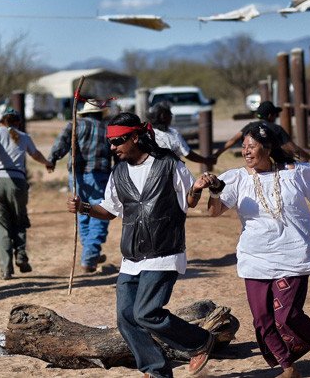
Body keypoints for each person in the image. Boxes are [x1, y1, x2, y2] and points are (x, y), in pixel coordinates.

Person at [67, 113, 214, 378]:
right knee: (126, 317)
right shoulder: (118, 172)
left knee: (146, 313)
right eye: (110, 142)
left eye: (117, 141)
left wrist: (197, 189)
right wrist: (84, 207)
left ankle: (199, 342)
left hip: (164, 252)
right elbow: (110, 210)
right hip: (131, 257)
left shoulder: (169, 165)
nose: (112, 147)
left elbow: (189, 201)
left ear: (135, 137)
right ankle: (156, 370)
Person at [199, 121, 310, 377]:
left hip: (293, 254)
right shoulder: (236, 178)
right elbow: (214, 212)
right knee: (262, 320)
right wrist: (214, 192)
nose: (246, 151)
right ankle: (288, 368)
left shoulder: (295, 173)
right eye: (243, 146)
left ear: (268, 148)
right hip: (255, 258)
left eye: (252, 146)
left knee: (287, 315)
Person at [0, 108, 54, 280]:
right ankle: (21, 255)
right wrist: (47, 162)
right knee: (19, 220)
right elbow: (35, 154)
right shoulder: (24, 137)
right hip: (18, 182)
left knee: (2, 226)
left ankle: (6, 269)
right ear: (18, 122)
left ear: (1, 120)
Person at [49, 101, 113, 272]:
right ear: (100, 113)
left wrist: (52, 159)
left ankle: (90, 252)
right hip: (100, 175)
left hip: (77, 177)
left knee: (82, 211)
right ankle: (90, 255)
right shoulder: (107, 128)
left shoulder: (75, 125)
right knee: (99, 212)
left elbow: (61, 143)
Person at [213, 101, 310, 163]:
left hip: (255, 163)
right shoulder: (276, 129)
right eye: (275, 114)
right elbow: (294, 149)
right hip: (277, 165)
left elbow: (232, 141)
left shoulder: (250, 126)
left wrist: (216, 155)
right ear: (270, 116)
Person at [147, 101, 215, 165]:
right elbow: (188, 154)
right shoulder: (173, 134)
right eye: (170, 114)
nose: (171, 116)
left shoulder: (147, 134)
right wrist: (206, 160)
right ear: (163, 117)